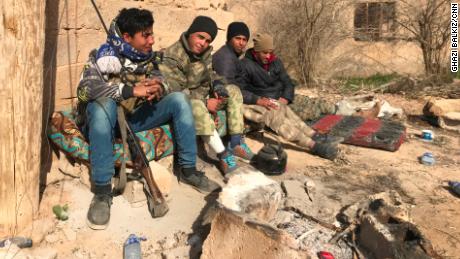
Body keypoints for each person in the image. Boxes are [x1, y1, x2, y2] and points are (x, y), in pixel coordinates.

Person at [76, 8, 218, 230]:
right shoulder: (101, 56)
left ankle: (188, 169)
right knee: (102, 105)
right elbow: (85, 90)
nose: (152, 40)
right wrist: (129, 91)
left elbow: (163, 78)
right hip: (106, 124)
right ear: (127, 37)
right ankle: (103, 192)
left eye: (152, 34)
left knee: (179, 99)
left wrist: (157, 87)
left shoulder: (147, 58)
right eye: (146, 35)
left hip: (134, 119)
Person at [159, 16, 254, 175]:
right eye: (200, 37)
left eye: (207, 40)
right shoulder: (173, 56)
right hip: (183, 104)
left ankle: (235, 143)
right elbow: (176, 93)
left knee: (233, 90)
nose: (203, 43)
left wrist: (218, 85)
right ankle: (223, 155)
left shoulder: (204, 53)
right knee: (195, 105)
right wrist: (205, 102)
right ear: (190, 33)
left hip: (205, 98)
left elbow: (212, 74)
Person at [235, 33, 341, 160]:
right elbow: (239, 91)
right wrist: (259, 100)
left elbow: (288, 82)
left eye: (270, 52)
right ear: (256, 51)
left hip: (278, 99)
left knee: (292, 111)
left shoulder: (276, 62)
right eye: (264, 53)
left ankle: (314, 135)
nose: (268, 56)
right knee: (277, 117)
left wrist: (285, 97)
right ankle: (313, 146)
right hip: (257, 102)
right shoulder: (244, 65)